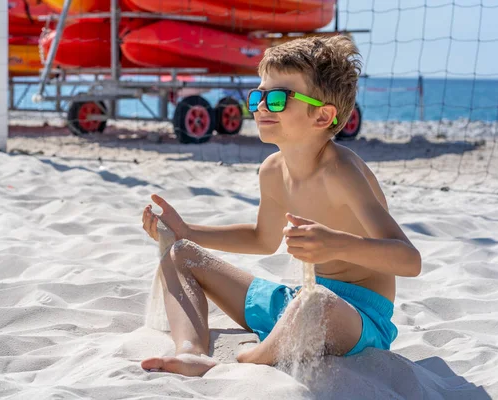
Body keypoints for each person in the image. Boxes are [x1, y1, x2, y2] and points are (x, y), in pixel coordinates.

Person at [140, 35, 422, 377]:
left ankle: (256, 356)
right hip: (294, 302)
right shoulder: (273, 169)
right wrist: (187, 231)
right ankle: (192, 351)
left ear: (322, 116)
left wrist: (337, 244)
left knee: (316, 301)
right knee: (181, 253)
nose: (260, 106)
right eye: (257, 96)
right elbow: (262, 239)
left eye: (276, 99)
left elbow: (409, 260)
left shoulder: (342, 171)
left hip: (356, 316)